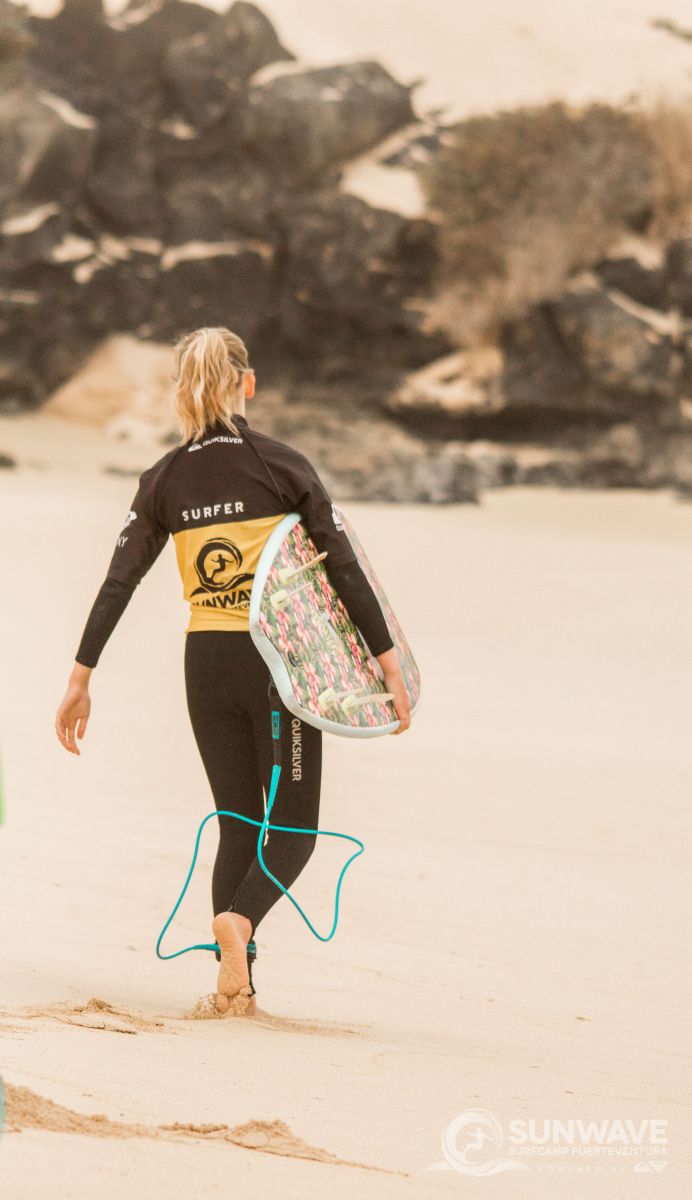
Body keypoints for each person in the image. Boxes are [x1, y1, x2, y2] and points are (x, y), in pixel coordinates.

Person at [55, 326, 411, 1015]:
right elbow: (343, 566)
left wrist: (81, 676)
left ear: (181, 390)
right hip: (274, 663)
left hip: (204, 661)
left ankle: (236, 986)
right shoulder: (281, 465)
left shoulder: (163, 478)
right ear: (247, 383)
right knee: (295, 829)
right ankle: (240, 924)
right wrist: (388, 664)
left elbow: (119, 580)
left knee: (238, 822)